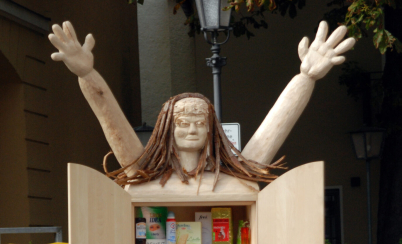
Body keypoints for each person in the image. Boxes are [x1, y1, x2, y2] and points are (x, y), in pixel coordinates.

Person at [48, 21, 356, 190]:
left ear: (213, 129)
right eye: (183, 122)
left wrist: (306, 78)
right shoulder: (142, 175)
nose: (193, 128)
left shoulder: (237, 179)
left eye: (200, 121)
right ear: (167, 128)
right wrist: (87, 75)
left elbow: (271, 132)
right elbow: (113, 124)